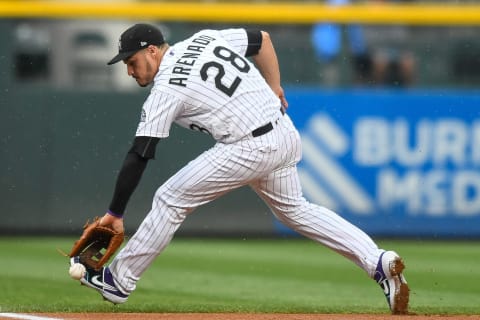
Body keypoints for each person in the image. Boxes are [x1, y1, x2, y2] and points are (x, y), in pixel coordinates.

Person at [70, 23, 410, 314]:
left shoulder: (166, 87)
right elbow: (261, 40)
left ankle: (119, 281)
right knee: (295, 211)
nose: (130, 71)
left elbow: (139, 153)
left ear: (154, 51)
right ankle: (377, 261)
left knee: (170, 198)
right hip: (283, 131)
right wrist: (275, 86)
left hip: (249, 145)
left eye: (132, 62)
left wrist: (115, 212)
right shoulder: (204, 39)